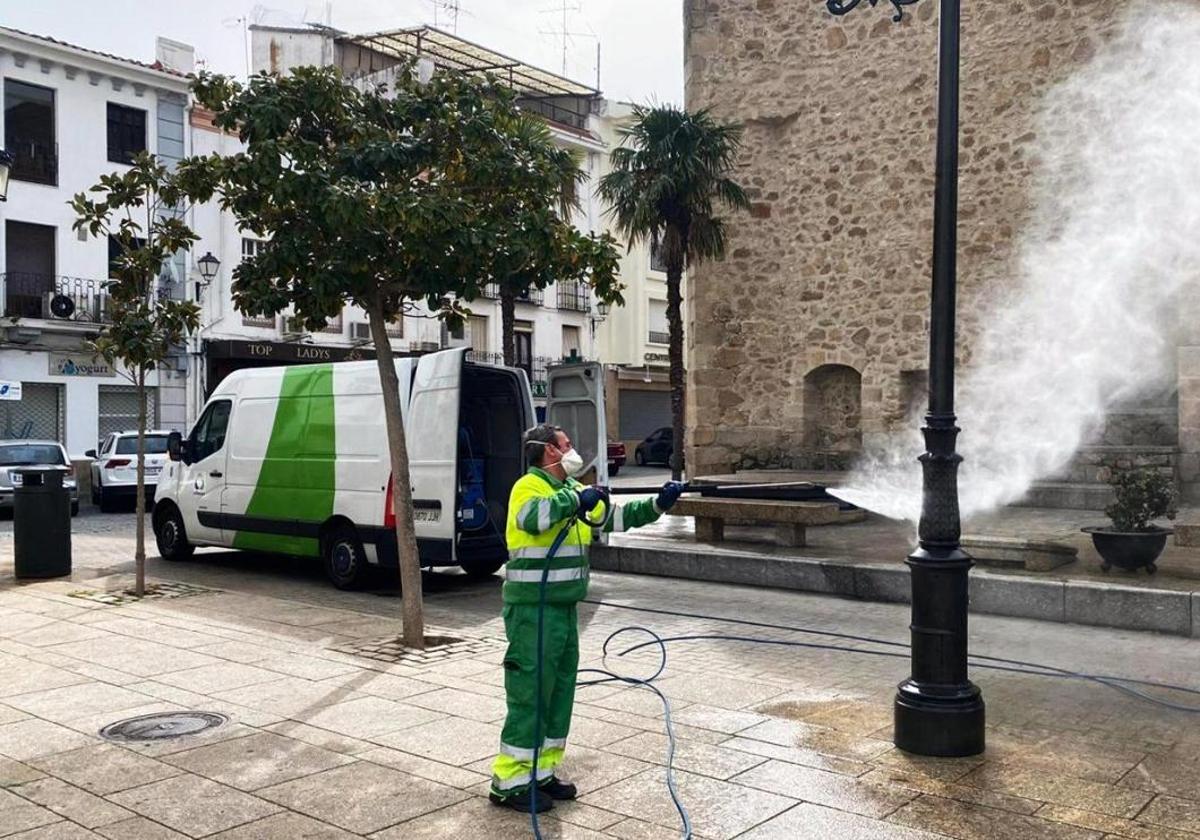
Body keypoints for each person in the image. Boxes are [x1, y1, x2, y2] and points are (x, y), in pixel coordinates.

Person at [489, 423, 684, 813]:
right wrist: (575, 503)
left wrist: (659, 505)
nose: (573, 449)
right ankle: (509, 783)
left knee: (558, 694)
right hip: (533, 610)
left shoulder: (571, 491)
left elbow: (615, 518)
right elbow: (533, 518)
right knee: (531, 694)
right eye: (566, 444)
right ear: (548, 452)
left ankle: (541, 772)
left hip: (563, 608)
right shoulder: (529, 487)